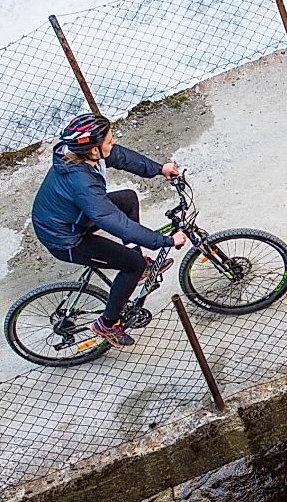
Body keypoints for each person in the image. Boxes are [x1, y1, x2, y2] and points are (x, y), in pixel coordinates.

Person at [29, 112, 186, 347]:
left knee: (128, 199)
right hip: (65, 239)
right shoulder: (81, 181)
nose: (113, 143)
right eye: (109, 141)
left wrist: (159, 169)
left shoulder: (82, 155)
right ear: (94, 150)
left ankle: (137, 261)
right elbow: (111, 220)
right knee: (133, 265)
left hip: (72, 218)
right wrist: (163, 241)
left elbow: (121, 156)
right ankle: (107, 324)